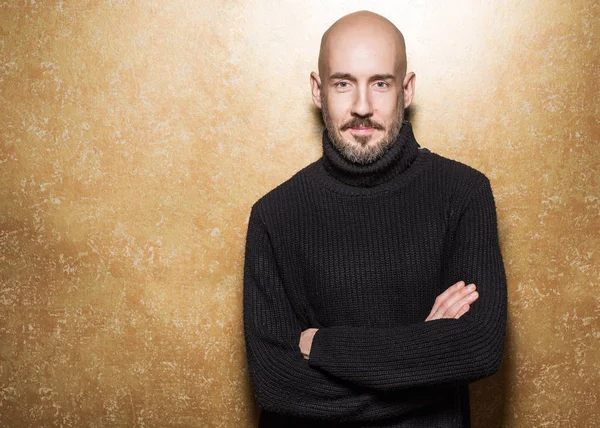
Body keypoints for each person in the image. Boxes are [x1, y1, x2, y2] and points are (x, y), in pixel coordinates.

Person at [243, 10, 507, 427]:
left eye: (380, 84)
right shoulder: (274, 215)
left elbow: (478, 347)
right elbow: (276, 383)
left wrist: (323, 347)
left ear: (407, 89)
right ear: (317, 89)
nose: (362, 107)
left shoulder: (464, 194)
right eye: (343, 84)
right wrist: (427, 359)